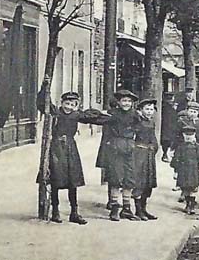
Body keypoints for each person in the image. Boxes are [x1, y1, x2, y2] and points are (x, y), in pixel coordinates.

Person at [36, 90, 109, 224]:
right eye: (66, 103)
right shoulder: (55, 113)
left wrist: (115, 119)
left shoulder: (76, 115)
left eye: (72, 104)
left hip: (70, 148)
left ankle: (74, 212)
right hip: (55, 148)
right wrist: (44, 87)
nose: (68, 106)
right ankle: (55, 211)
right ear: (61, 103)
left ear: (76, 105)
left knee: (72, 181)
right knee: (55, 179)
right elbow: (42, 103)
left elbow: (97, 119)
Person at [102, 89, 140, 221]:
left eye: (129, 101)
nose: (126, 103)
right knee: (115, 178)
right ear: (118, 102)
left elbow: (141, 128)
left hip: (129, 148)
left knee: (129, 178)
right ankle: (114, 208)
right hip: (116, 147)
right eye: (124, 100)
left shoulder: (136, 115)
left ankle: (127, 208)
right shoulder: (113, 114)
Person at [131, 98, 160, 221]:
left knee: (148, 182)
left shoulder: (151, 122)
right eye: (146, 109)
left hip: (149, 154)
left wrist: (154, 147)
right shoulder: (137, 121)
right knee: (139, 181)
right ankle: (138, 210)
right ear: (140, 110)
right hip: (139, 154)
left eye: (151, 109)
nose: (149, 112)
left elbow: (153, 137)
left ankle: (144, 209)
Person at [170, 124, 199, 215]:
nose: (188, 137)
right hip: (183, 170)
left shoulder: (197, 147)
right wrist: (176, 170)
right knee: (185, 188)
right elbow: (176, 159)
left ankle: (191, 206)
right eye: (186, 135)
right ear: (183, 136)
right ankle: (187, 204)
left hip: (193, 171)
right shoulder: (180, 147)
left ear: (194, 136)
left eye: (191, 136)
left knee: (192, 188)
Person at [160, 93, 177, 162]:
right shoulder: (165, 107)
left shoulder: (171, 107)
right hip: (166, 126)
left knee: (168, 141)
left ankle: (166, 154)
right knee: (166, 141)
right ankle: (165, 154)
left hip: (170, 126)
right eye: (169, 99)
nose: (170, 101)